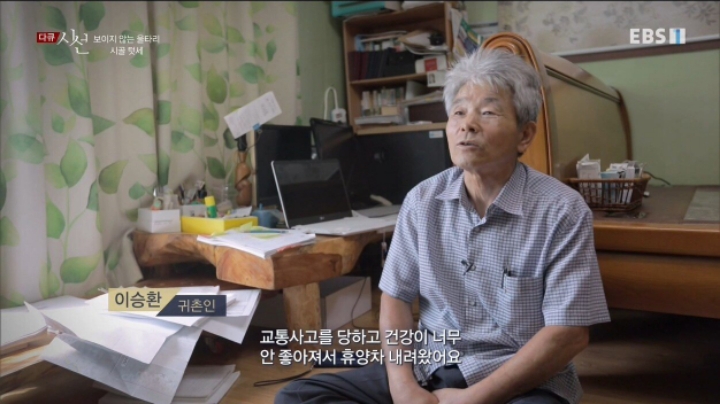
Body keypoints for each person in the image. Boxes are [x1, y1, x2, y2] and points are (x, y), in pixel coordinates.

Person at [275, 48, 610, 404]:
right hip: (429, 365)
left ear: (525, 136)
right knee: (297, 398)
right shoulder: (422, 200)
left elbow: (569, 333)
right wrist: (403, 387)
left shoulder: (561, 210)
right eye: (459, 112)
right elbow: (395, 298)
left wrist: (473, 399)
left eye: (488, 112)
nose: (467, 124)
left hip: (518, 380)